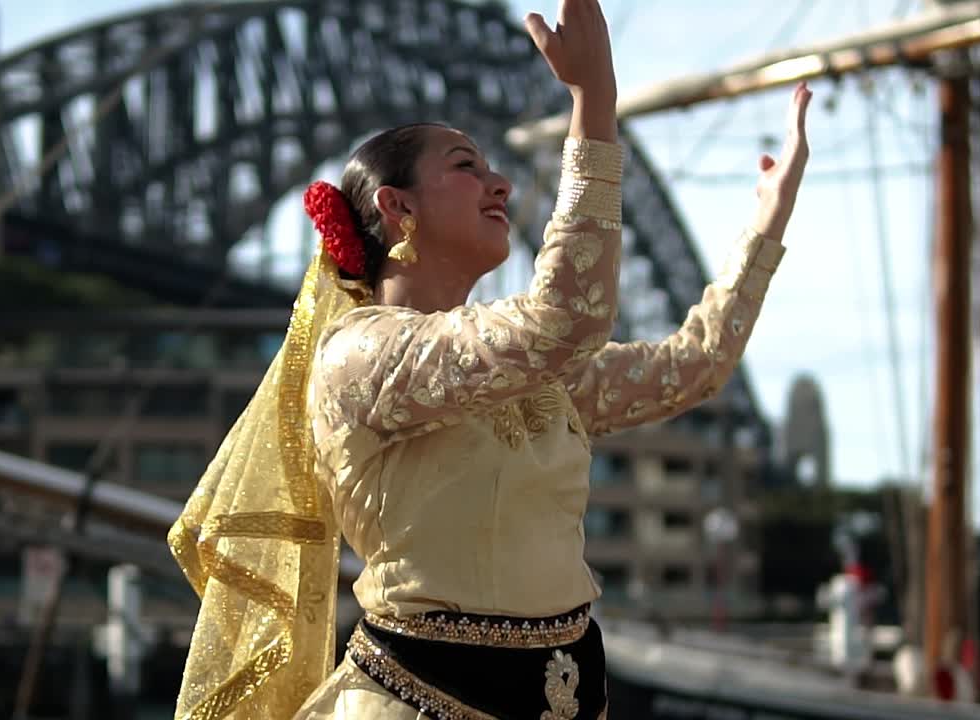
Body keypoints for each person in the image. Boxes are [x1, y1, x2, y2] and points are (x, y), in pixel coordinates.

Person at [168, 0, 813, 718]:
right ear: (398, 209)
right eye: (466, 167)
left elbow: (696, 367)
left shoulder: (536, 378)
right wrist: (593, 103)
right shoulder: (361, 357)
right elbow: (565, 319)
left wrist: (766, 224)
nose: (501, 184)